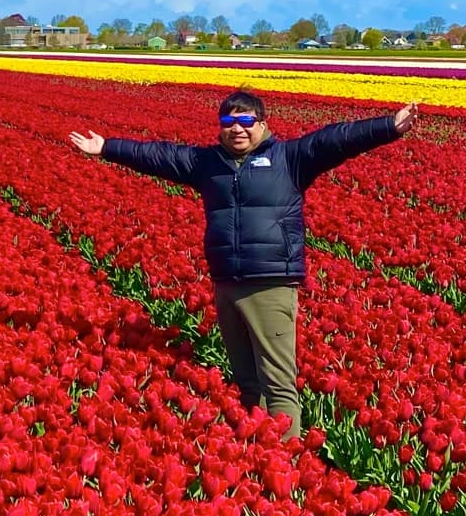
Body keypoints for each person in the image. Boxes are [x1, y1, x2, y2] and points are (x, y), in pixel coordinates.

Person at [69, 90, 417, 440]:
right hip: (227, 283)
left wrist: (388, 127)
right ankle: (257, 455)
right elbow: (158, 155)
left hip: (270, 284)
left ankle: (288, 462)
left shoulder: (289, 158)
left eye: (246, 121)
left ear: (262, 124)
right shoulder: (207, 164)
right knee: (248, 383)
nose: (237, 128)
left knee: (278, 383)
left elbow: (336, 139)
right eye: (229, 121)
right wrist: (107, 147)